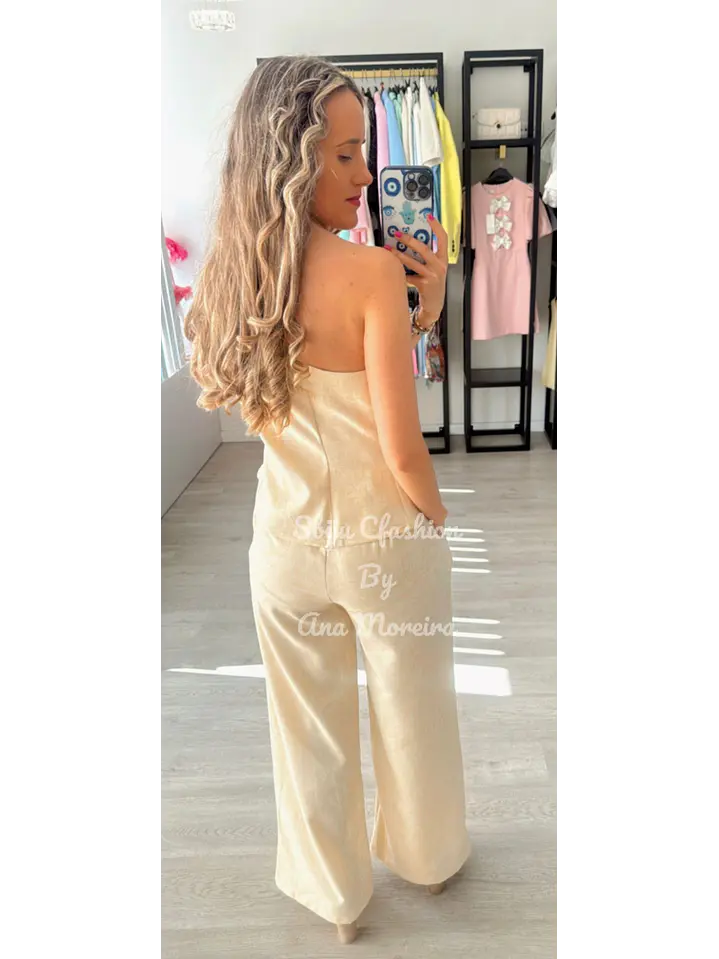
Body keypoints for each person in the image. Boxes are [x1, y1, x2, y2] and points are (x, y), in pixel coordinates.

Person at [184, 55, 470, 945]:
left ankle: (334, 896)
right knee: (413, 706)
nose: (364, 175)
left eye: (363, 153)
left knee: (305, 726)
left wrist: (422, 308)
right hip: (383, 542)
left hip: (285, 543)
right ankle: (426, 858)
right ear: (290, 157)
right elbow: (398, 444)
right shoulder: (372, 271)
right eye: (343, 155)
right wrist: (435, 514)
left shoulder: (235, 273)